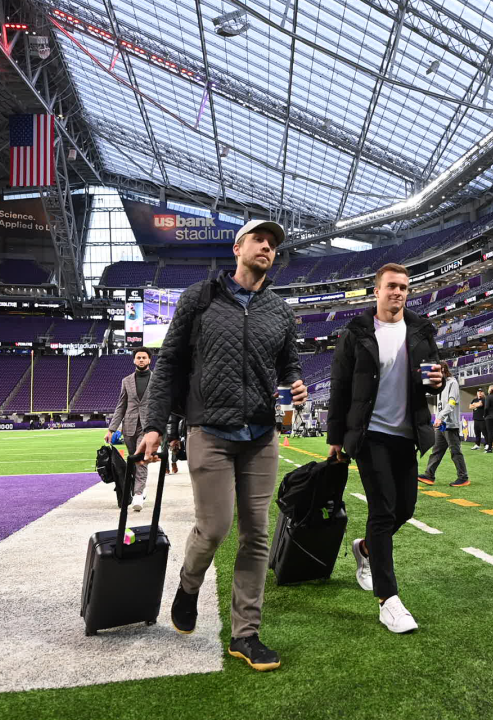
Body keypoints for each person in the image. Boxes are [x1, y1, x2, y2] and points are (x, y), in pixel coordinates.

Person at [136, 218, 305, 672]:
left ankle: (245, 634)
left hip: (260, 434)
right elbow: (168, 364)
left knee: (257, 534)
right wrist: (153, 425)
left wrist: (296, 384)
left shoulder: (280, 311)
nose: (267, 246)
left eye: (273, 243)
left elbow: (289, 365)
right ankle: (188, 585)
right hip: (209, 429)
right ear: (238, 247)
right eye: (259, 239)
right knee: (214, 528)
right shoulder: (200, 298)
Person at [328, 263, 444, 634]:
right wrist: (335, 439)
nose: (398, 292)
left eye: (404, 287)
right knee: (382, 510)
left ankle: (365, 549)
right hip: (370, 433)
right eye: (392, 286)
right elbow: (339, 387)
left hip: (406, 434)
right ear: (376, 291)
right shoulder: (357, 332)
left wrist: (438, 382)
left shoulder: (422, 330)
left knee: (405, 508)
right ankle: (388, 600)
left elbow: (432, 381)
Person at [105, 347, 155, 511]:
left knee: (141, 458)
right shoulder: (126, 381)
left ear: (149, 360)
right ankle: (140, 486)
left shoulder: (157, 380)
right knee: (133, 460)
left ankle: (138, 495)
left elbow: (160, 404)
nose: (141, 360)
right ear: (134, 360)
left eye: (144, 357)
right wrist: (111, 429)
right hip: (129, 427)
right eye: (138, 357)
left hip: (148, 426)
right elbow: (121, 406)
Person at [418, 361, 469, 487]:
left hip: (451, 425)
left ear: (443, 370)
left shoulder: (453, 383)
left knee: (455, 452)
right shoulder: (440, 385)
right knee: (436, 451)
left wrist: (440, 417)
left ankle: (463, 477)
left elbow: (451, 403)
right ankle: (429, 475)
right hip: (442, 425)